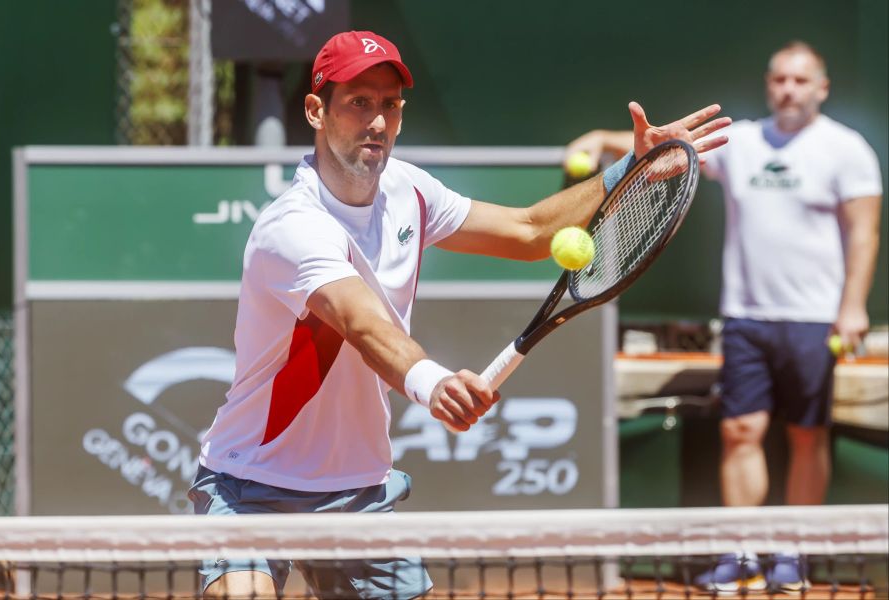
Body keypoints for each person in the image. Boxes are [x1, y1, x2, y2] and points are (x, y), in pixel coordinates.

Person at [189, 30, 731, 600]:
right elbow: (361, 323)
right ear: (316, 111)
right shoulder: (292, 226)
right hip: (251, 479)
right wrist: (432, 382)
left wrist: (631, 168)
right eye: (359, 102)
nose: (377, 120)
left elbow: (528, 231)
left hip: (357, 486)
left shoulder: (409, 190)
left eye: (389, 105)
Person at [566, 40, 883, 595]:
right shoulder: (745, 142)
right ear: (769, 84)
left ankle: (795, 552)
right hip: (745, 318)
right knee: (741, 430)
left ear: (821, 88)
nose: (788, 89)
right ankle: (742, 552)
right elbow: (669, 148)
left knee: (808, 435)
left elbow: (864, 232)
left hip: (814, 321)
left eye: (800, 81)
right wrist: (601, 141)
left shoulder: (847, 149)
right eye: (779, 79)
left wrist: (852, 306)